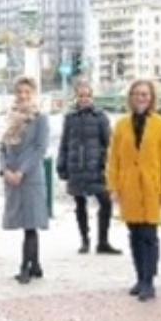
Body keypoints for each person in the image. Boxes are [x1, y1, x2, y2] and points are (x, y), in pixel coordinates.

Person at [107, 80, 161, 302]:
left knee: (149, 235)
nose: (141, 98)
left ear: (152, 97)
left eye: (145, 94)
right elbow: (113, 159)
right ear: (130, 97)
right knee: (135, 234)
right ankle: (139, 277)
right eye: (136, 94)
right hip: (129, 188)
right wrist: (114, 187)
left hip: (151, 187)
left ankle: (149, 281)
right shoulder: (121, 125)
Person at [56, 81, 121, 255]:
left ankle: (103, 241)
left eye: (87, 95)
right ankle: (84, 240)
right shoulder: (70, 118)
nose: (84, 99)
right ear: (76, 97)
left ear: (92, 98)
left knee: (105, 203)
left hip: (96, 168)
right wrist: (61, 166)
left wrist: (108, 164)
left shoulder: (100, 117)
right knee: (80, 205)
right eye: (81, 95)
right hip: (76, 167)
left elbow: (110, 143)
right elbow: (64, 143)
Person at [0, 76, 50, 284]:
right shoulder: (10, 117)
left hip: (30, 178)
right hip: (12, 178)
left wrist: (22, 171)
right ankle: (36, 264)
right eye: (19, 92)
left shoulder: (40, 118)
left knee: (31, 224)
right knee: (22, 222)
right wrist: (5, 170)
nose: (23, 96)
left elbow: (40, 148)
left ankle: (25, 267)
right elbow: (2, 147)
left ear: (33, 94)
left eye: (27, 92)